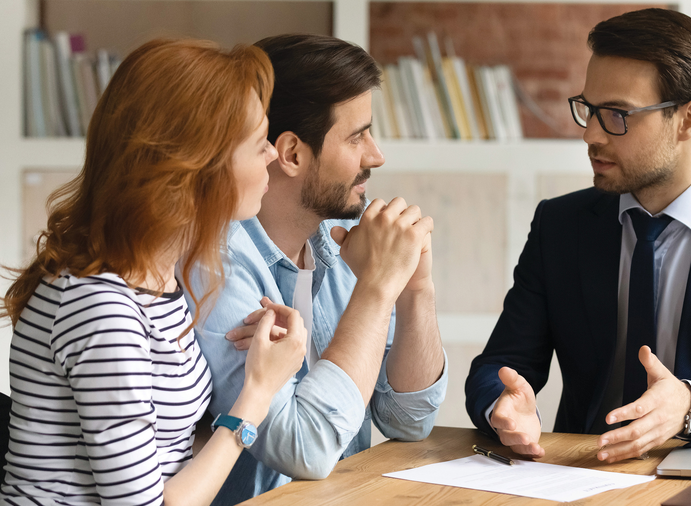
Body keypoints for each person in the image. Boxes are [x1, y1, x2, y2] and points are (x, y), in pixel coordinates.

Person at [465, 8, 691, 462]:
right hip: (579, 472)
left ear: (688, 120)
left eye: (617, 114)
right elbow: (500, 365)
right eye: (589, 110)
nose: (591, 135)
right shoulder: (559, 225)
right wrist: (502, 407)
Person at [0, 39, 308, 505]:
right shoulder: (101, 307)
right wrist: (259, 391)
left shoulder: (158, 280)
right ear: (194, 171)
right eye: (257, 142)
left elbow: (168, 453)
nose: (271, 154)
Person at [188, 33, 447, 504]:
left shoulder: (339, 241)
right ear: (291, 154)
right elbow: (303, 449)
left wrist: (415, 289)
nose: (376, 156)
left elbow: (409, 420)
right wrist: (377, 288)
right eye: (357, 136)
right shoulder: (214, 264)